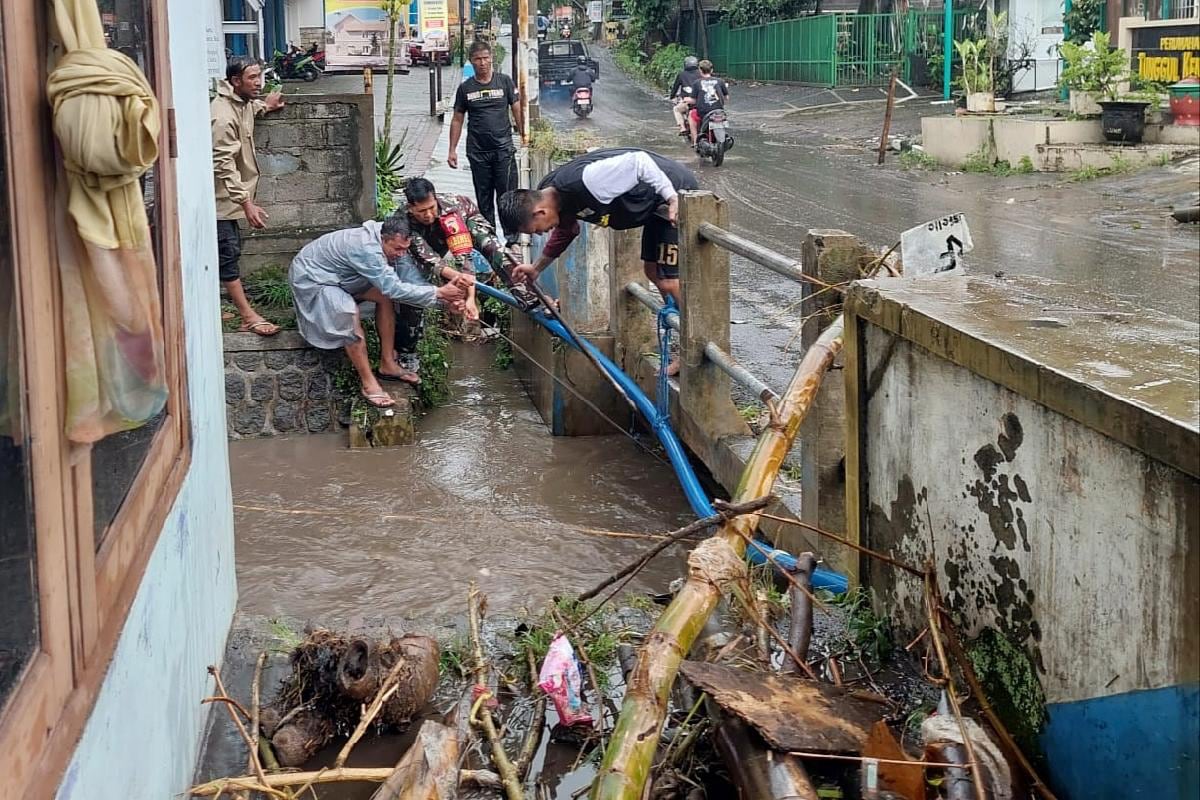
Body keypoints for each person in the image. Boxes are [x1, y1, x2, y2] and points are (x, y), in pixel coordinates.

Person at [498, 148, 698, 371]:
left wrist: (673, 199)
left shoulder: (586, 181)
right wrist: (536, 268)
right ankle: (686, 343)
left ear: (540, 212)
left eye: (536, 230)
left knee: (668, 280)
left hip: (675, 195)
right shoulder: (552, 193)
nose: (540, 234)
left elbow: (640, 162)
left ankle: (695, 351)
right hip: (654, 208)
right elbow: (567, 231)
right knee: (653, 272)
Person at [289, 217, 471, 407]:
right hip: (314, 278)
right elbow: (393, 287)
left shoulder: (393, 240)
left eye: (404, 249)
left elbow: (410, 283)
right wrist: (439, 292)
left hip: (343, 277)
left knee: (384, 298)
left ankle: (387, 364)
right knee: (348, 312)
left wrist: (445, 301)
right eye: (397, 249)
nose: (401, 254)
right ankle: (368, 383)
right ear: (383, 239)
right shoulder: (367, 249)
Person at [211, 55, 285, 336]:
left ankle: (222, 305)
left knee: (225, 253)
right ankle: (247, 316)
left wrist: (265, 106)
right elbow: (222, 164)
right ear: (235, 81)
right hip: (220, 201)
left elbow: (249, 110)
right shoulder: (222, 115)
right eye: (252, 78)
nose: (259, 82)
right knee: (228, 255)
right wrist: (246, 203)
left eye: (259, 76)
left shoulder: (239, 104)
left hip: (229, 201)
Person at [447, 40, 524, 229]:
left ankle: (511, 240)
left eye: (485, 58)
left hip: (503, 150)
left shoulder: (504, 81)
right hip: (478, 152)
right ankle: (489, 239)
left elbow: (517, 109)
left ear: (492, 58)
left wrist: (524, 134)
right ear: (471, 62)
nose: (482, 63)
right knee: (484, 197)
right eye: (477, 59)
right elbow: (457, 119)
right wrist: (452, 150)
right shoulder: (466, 88)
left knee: (507, 197)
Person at [688, 60, 730, 148]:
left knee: (691, 115)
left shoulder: (697, 83)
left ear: (700, 70)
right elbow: (727, 98)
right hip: (719, 111)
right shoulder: (720, 81)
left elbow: (693, 100)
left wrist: (686, 100)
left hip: (704, 113)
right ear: (712, 70)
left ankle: (695, 142)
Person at [669, 56, 700, 137]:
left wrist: (672, 96)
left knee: (676, 109)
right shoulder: (701, 73)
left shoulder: (681, 74)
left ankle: (682, 127)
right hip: (701, 101)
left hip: (688, 102)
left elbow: (675, 88)